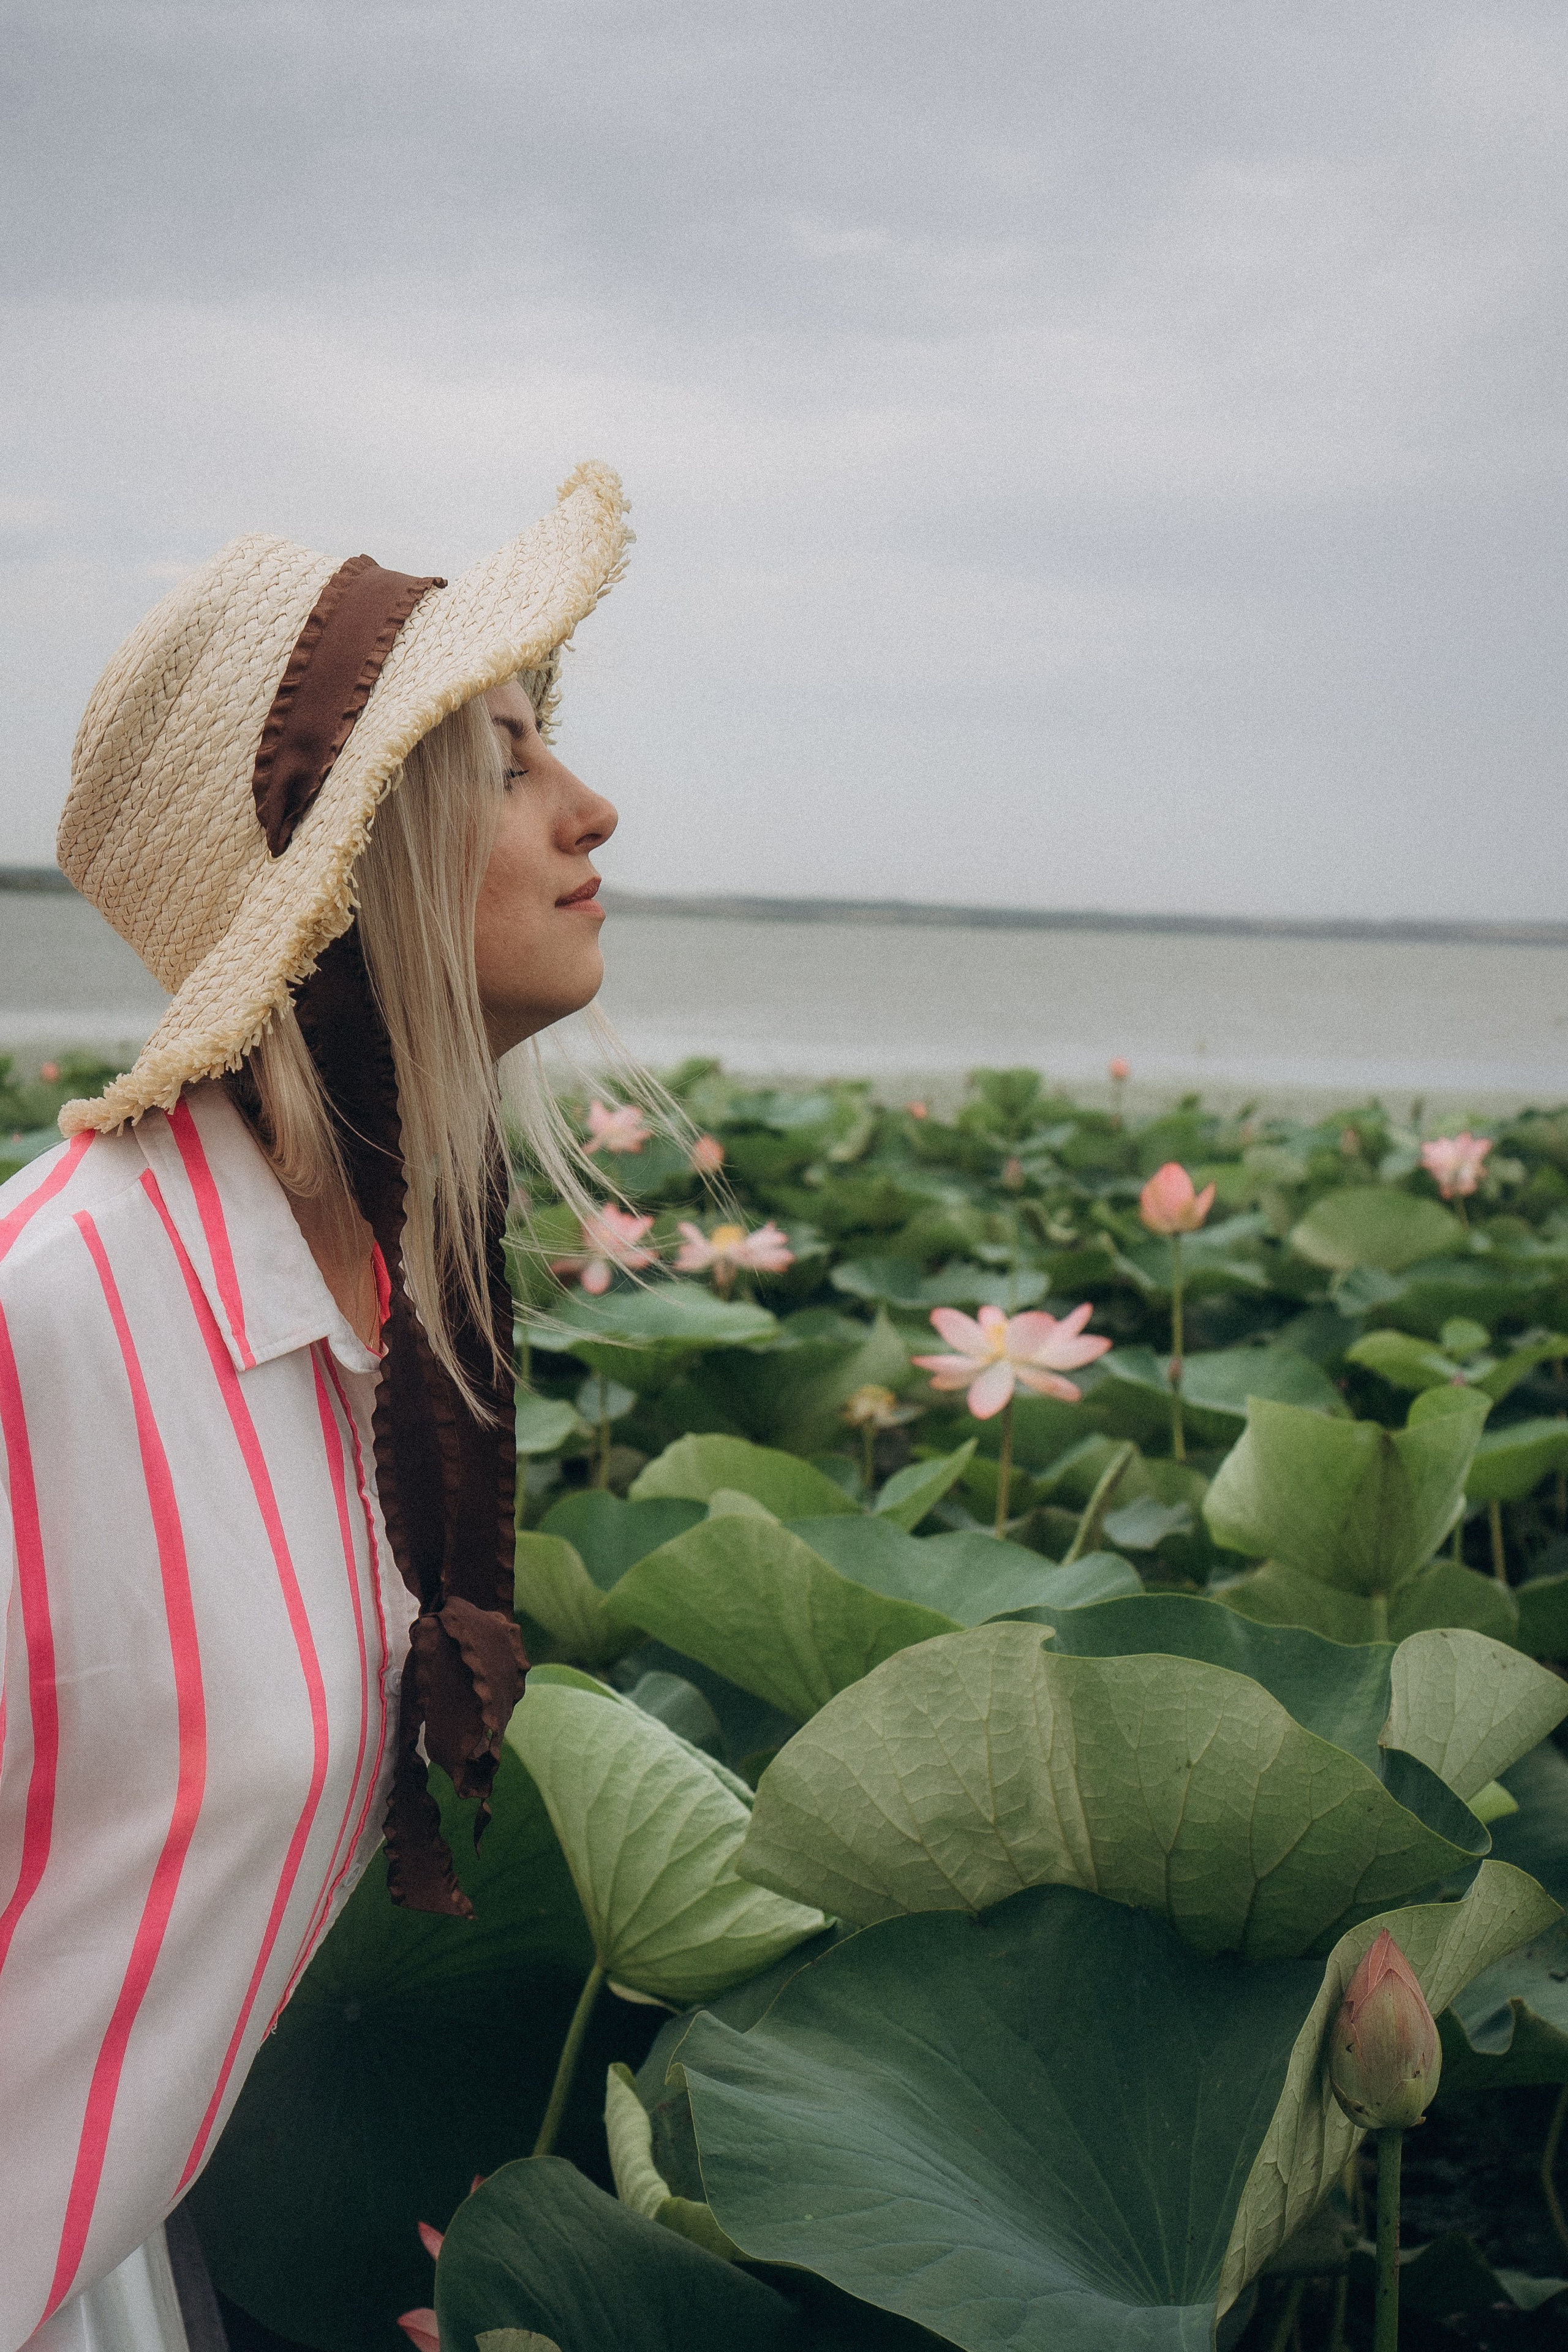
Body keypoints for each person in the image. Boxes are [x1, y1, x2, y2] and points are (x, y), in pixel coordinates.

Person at [0, 463, 632, 2350]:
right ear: (349, 870)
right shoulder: (46, 1326)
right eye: (509, 764)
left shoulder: (387, 1324)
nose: (593, 809)